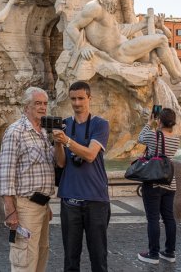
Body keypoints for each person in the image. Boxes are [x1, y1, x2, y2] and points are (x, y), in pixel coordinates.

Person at [66, 0, 181, 84]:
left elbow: (123, 31)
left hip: (125, 49)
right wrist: (83, 47)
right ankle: (175, 76)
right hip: (120, 52)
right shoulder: (94, 7)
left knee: (158, 39)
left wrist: (142, 24)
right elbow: (71, 27)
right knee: (162, 39)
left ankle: (171, 73)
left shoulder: (108, 13)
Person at [53, 81, 111, 272]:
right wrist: (58, 144)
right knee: (70, 259)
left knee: (98, 257)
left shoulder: (100, 124)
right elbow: (61, 163)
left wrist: (67, 140)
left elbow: (90, 155)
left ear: (89, 98)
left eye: (81, 98)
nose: (77, 103)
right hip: (70, 199)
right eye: (73, 99)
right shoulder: (65, 124)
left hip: (95, 200)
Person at [0, 87, 55, 272]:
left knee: (41, 254)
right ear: (26, 107)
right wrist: (10, 211)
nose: (43, 107)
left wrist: (46, 204)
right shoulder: (15, 132)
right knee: (25, 260)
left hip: (42, 206)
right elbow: (5, 174)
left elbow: (42, 171)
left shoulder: (46, 131)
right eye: (38, 103)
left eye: (45, 103)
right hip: (24, 207)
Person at [137, 108, 180, 264]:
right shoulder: (176, 139)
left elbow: (140, 138)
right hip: (170, 182)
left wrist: (149, 123)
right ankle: (169, 252)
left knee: (153, 218)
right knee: (169, 218)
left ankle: (153, 254)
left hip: (153, 182)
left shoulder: (152, 134)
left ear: (159, 121)